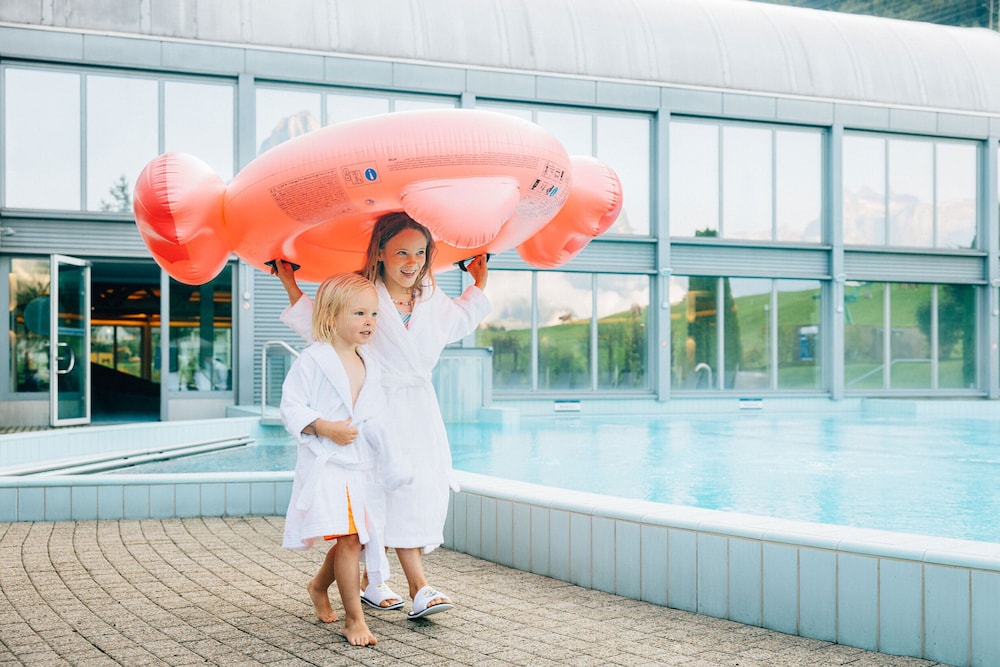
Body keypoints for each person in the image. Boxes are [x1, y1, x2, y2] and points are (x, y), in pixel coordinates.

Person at [274, 211, 489, 620]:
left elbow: (459, 321)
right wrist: (291, 285)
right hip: (374, 411)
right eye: (402, 252)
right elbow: (326, 327)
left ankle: (367, 583)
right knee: (372, 508)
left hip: (419, 410)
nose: (412, 262)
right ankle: (415, 586)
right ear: (380, 253)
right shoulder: (364, 293)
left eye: (420, 253)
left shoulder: (430, 298)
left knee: (413, 492)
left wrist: (479, 284)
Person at [280, 272, 407, 646]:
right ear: (332, 315)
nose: (370, 322)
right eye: (359, 313)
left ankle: (319, 585)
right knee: (351, 539)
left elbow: (377, 416)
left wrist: (393, 457)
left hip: (362, 465)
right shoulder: (312, 360)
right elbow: (290, 407)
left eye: (374, 314)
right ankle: (354, 620)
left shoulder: (370, 361)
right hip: (330, 465)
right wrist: (323, 427)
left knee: (358, 539)